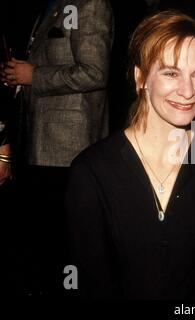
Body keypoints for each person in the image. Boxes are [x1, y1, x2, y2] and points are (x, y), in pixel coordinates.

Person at [65, 11, 195, 299]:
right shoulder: (91, 172)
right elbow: (89, 282)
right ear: (141, 77)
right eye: (171, 73)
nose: (187, 91)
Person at [0, 0, 114, 295]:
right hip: (39, 145)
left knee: (66, 247)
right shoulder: (51, 5)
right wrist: (18, 80)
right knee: (44, 244)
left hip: (70, 151)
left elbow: (94, 72)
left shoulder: (91, 4)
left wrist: (33, 75)